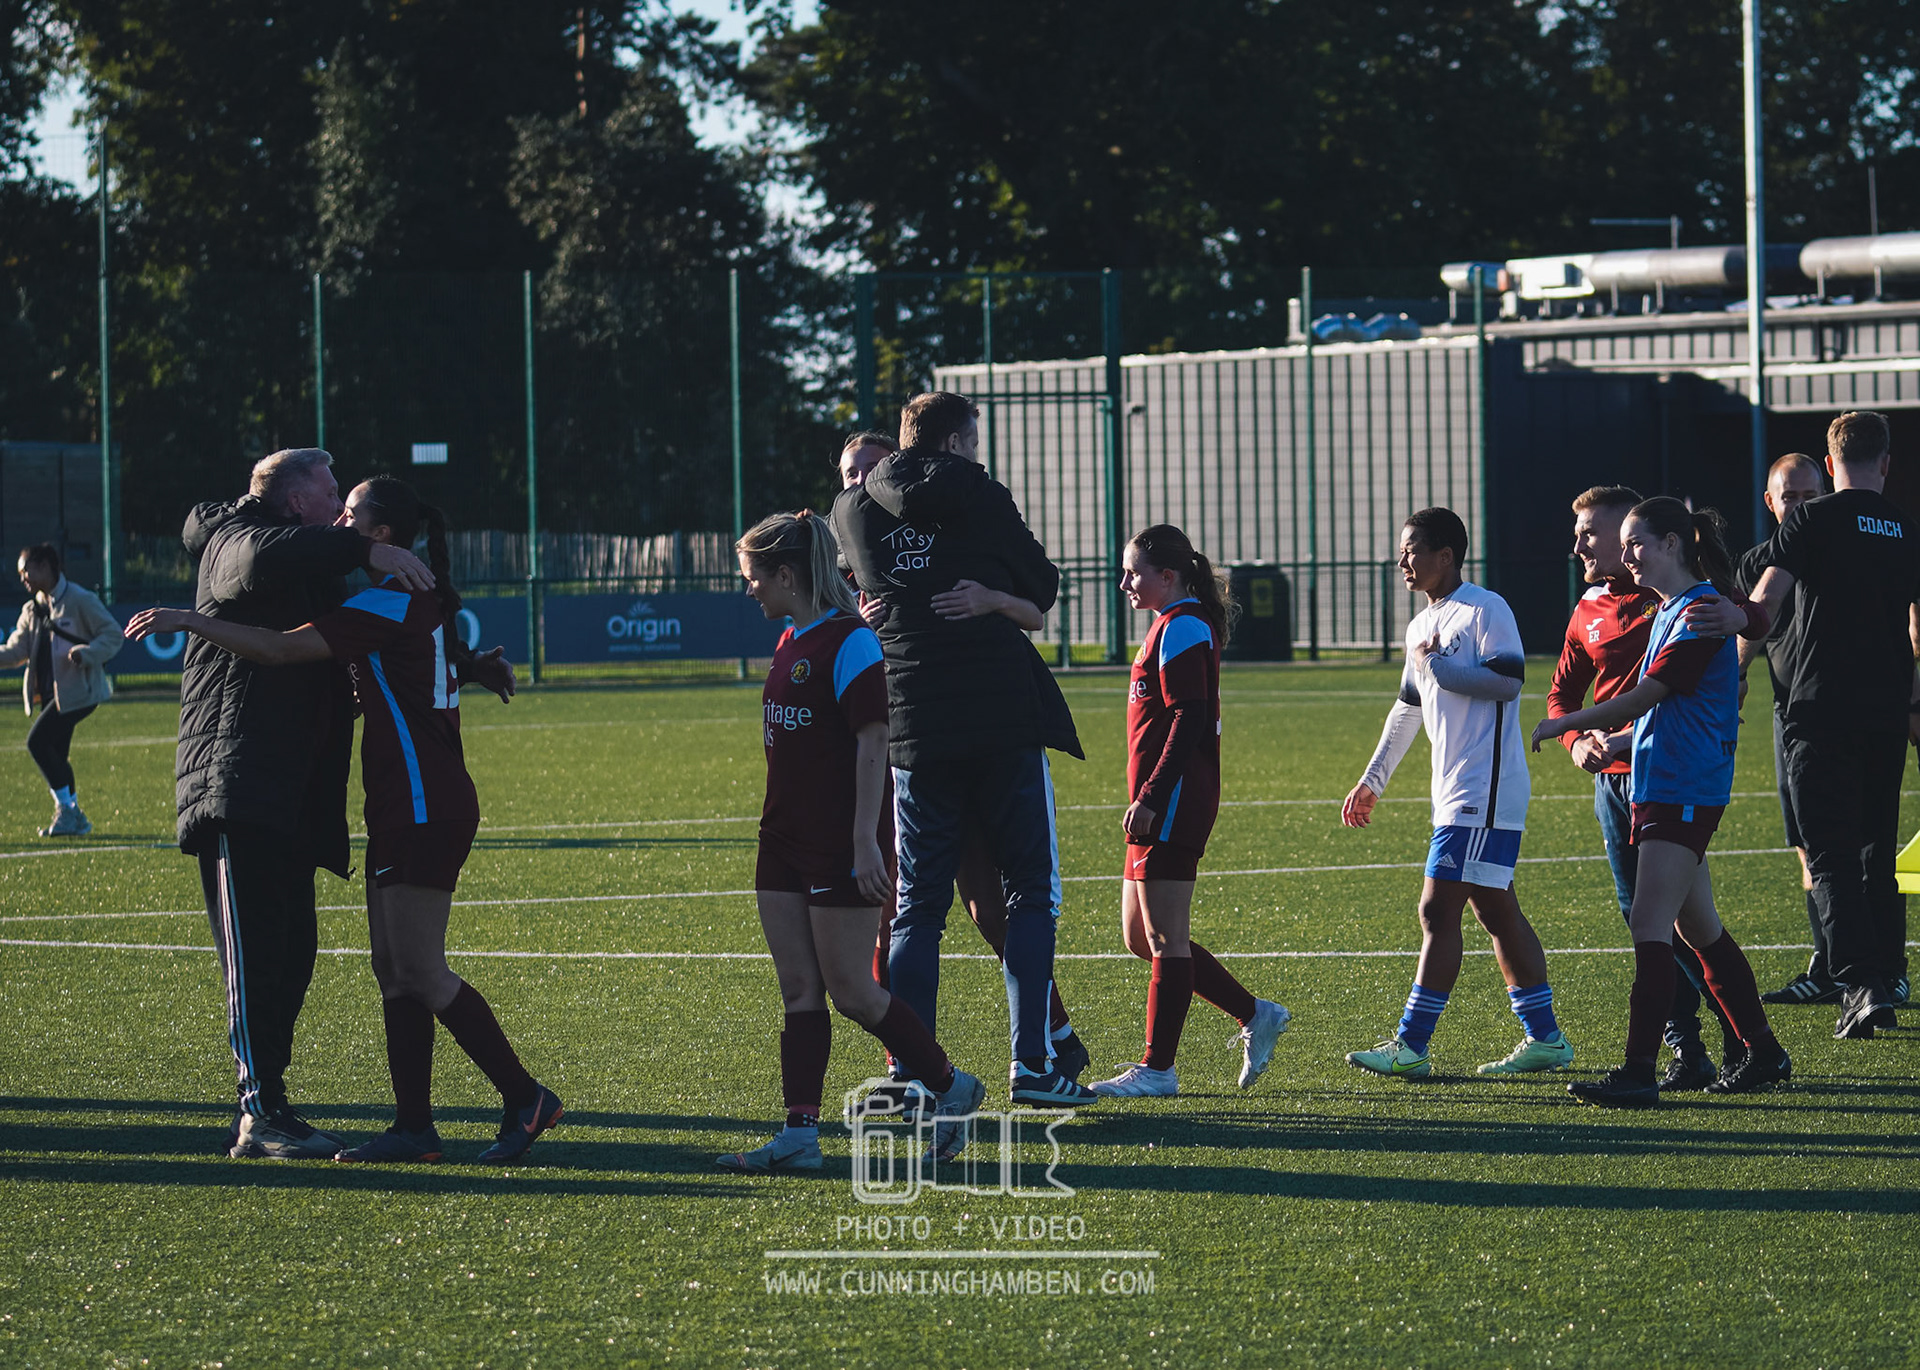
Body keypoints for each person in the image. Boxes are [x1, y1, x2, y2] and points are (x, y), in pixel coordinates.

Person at [131, 477, 556, 1163]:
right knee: (393, 969)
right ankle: (413, 1129)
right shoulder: (400, 599)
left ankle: (525, 1096)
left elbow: (278, 649)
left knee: (420, 969)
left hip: (422, 801)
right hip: (399, 800)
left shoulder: (387, 601)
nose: (339, 524)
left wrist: (192, 621)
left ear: (380, 535)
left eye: (350, 514)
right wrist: (474, 668)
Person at [170, 448, 440, 1159]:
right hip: (236, 781)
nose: (341, 511)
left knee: (293, 954)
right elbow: (259, 561)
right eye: (331, 494)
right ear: (297, 502)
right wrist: (367, 550)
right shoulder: (235, 539)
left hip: (292, 788)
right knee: (256, 954)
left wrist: (468, 666)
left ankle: (272, 1105)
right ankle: (259, 1112)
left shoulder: (313, 560)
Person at [833, 392, 1095, 1107]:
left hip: (913, 721)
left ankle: (912, 1070)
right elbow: (1042, 587)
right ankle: (1033, 1065)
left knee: (917, 906)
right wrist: (993, 594)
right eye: (972, 441)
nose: (977, 453)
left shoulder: (850, 509)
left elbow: (853, 588)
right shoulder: (979, 492)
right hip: (1000, 714)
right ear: (953, 442)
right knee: (1029, 891)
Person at [717, 509, 984, 1171]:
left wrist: (867, 842)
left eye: (754, 576)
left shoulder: (851, 643)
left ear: (787, 574)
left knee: (853, 992)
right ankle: (799, 1136)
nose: (749, 588)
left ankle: (952, 1087)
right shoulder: (791, 639)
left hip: (839, 843)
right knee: (797, 991)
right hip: (781, 840)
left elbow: (874, 745)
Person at [1532, 497, 1792, 1106]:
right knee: (1697, 927)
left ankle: (1640, 1071)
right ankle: (1763, 1051)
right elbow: (1663, 710)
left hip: (1681, 788)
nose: (1625, 557)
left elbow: (1646, 695)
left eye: (1635, 544)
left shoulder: (1699, 609)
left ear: (1672, 543)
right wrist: (1612, 740)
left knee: (1649, 924)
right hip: (1662, 780)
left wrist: (1565, 724)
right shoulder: (1675, 606)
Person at [1341, 507, 1573, 1079]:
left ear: (1446, 556)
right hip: (1455, 791)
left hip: (1483, 790)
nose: (1402, 560)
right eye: (1402, 550)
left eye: (1413, 550)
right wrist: (1372, 780)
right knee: (1496, 910)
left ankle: (1410, 1045)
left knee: (1437, 908)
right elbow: (1407, 709)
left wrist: (1438, 666)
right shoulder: (1420, 626)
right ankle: (1546, 1039)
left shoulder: (1485, 608)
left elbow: (1508, 681)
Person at [1089, 525, 1290, 1098]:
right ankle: (1256, 1014)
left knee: (1165, 938)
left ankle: (1158, 1069)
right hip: (1158, 800)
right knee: (1140, 936)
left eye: (1133, 573)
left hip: (1173, 800)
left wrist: (1152, 797)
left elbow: (1189, 718)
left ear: (1167, 576)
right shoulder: (1168, 624)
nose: (1124, 583)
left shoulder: (1183, 626)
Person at [1745, 411, 1918, 1040]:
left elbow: (1764, 604)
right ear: (1886, 462)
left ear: (1830, 460)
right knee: (1876, 849)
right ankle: (1889, 974)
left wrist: (1728, 661)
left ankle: (1859, 986)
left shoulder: (1811, 520)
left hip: (1820, 711)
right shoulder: (1905, 528)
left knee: (1830, 855)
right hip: (1885, 714)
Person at [1734, 454, 1852, 1005]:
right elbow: (1749, 632)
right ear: (1770, 502)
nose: (1801, 507)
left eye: (1811, 496)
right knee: (1806, 846)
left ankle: (1870, 967)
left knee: (1860, 844)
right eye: (1791, 498)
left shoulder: (1847, 554)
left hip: (1850, 715)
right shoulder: (1757, 566)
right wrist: (1732, 678)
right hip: (1791, 723)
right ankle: (1828, 964)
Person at [0, 544, 124, 836]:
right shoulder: (32, 609)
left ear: (45, 566)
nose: (23, 578)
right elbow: (17, 651)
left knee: (37, 743)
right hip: (49, 694)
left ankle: (67, 812)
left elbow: (113, 634)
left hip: (77, 694)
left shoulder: (80, 599)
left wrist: (87, 653)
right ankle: (74, 818)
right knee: (55, 754)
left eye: (26, 570)